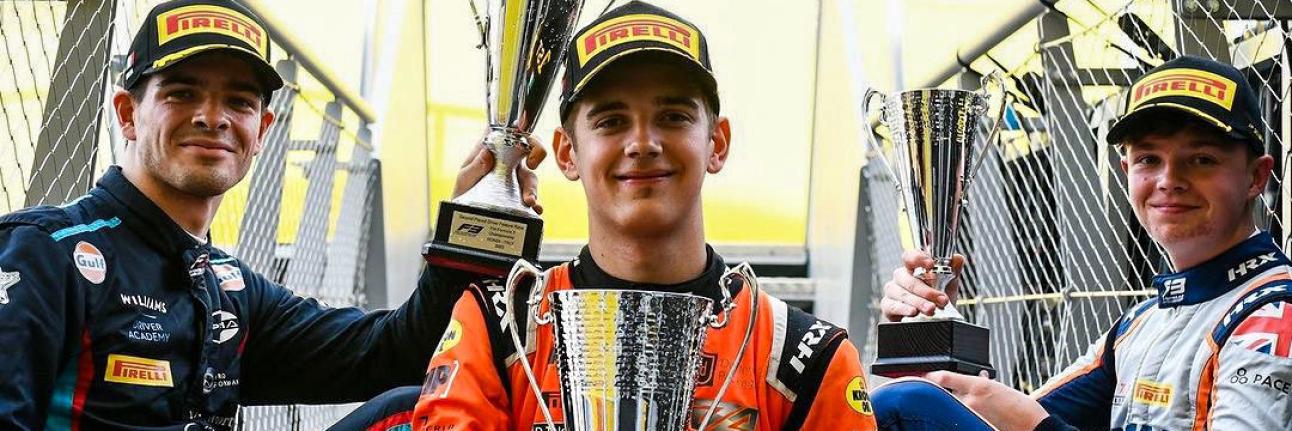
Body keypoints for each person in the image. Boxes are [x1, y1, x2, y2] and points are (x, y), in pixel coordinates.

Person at [330, 2, 880, 430]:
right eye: (612, 121)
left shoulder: (803, 355)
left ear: (717, 142)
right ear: (567, 151)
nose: (643, 143)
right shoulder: (497, 327)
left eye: (672, 116)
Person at [0, 0, 480, 429]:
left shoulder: (229, 288)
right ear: (128, 114)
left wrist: (473, 230)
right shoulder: (44, 254)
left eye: (239, 101)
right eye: (182, 93)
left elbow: (391, 354)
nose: (214, 117)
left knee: (414, 409)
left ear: (262, 130)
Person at [872, 55, 1292, 430]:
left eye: (1202, 159)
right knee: (906, 402)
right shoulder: (1142, 322)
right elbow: (998, 413)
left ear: (1256, 176)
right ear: (1126, 169)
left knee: (905, 404)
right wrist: (932, 327)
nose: (1169, 180)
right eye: (1149, 159)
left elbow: (1030, 421)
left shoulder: (1276, 312)